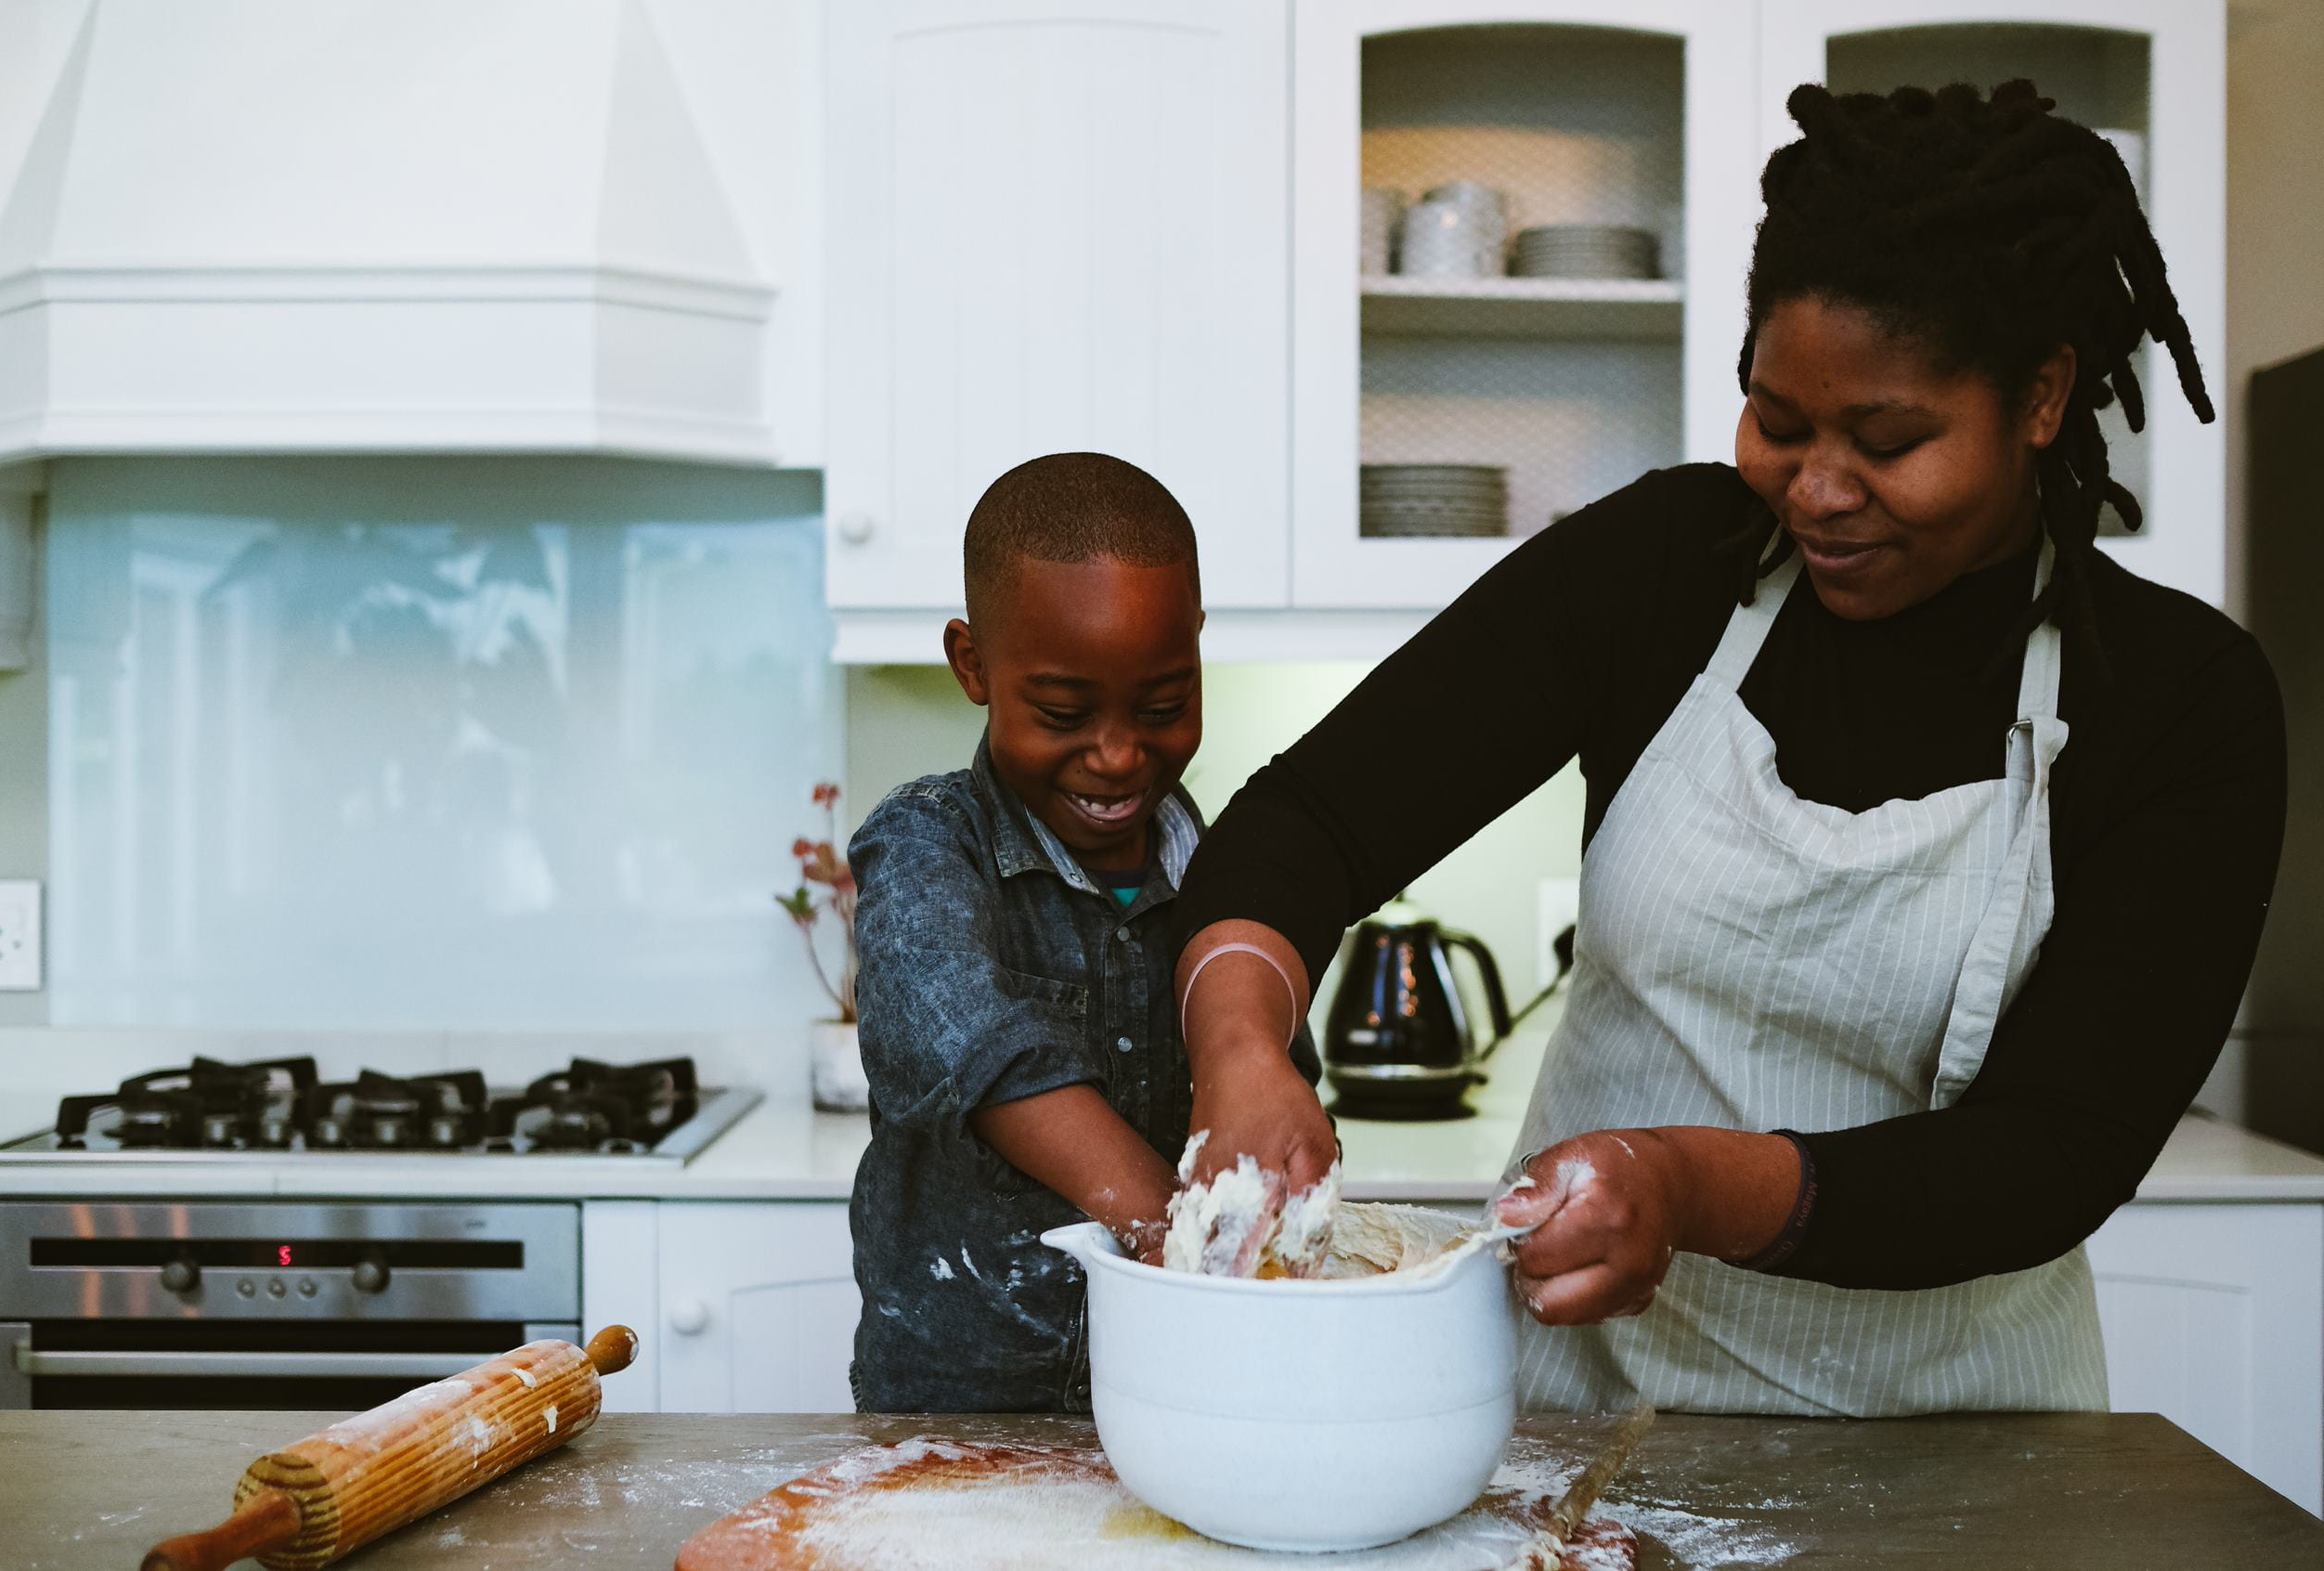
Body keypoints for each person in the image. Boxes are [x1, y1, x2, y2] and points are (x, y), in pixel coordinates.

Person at [1168, 82, 2287, 1415]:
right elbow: (1314, 818)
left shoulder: (2174, 697)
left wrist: (1684, 1183)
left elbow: (2052, 1152)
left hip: (1964, 1457)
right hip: (1582, 1410)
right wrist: (1243, 1049)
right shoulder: (1664, 571)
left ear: (2043, 395)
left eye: (1889, 439)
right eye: (1779, 420)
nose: (1815, 489)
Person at [847, 450, 1316, 1413]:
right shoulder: (927, 841)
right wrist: (1174, 1231)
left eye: (1163, 707)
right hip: (959, 1401)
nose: (1115, 755)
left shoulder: (1232, 876)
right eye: (1062, 712)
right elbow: (970, 1047)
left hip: (1186, 1387)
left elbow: (1271, 1084)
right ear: (972, 666)